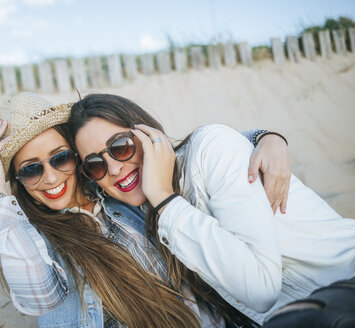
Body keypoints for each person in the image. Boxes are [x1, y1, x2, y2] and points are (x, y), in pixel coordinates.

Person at [0, 92, 291, 328]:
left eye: (60, 158)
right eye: (31, 170)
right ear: (18, 180)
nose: (51, 177)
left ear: (77, 157)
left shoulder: (115, 188)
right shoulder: (35, 241)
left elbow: (179, 158)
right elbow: (39, 295)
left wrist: (265, 139)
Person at [69, 93, 355, 325]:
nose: (115, 168)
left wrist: (165, 199)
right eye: (95, 164)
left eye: (120, 146)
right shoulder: (145, 213)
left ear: (149, 135)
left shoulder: (209, 152)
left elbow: (261, 290)